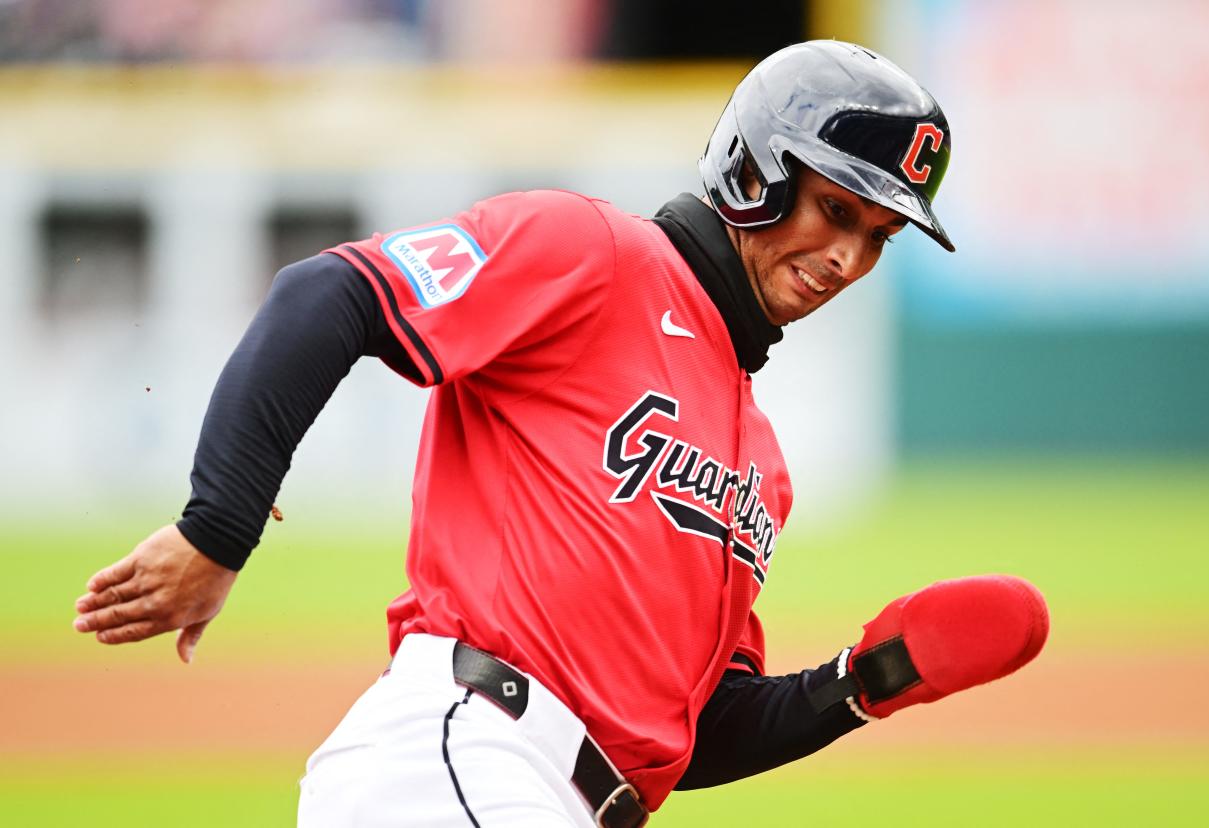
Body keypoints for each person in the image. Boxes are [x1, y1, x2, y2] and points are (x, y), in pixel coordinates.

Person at [73, 41, 1048, 827]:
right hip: (462, 753)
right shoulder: (595, 254)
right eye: (838, 208)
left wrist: (862, 684)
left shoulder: (762, 461)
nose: (847, 256)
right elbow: (329, 295)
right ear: (756, 169)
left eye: (879, 235)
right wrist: (219, 529)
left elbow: (687, 729)